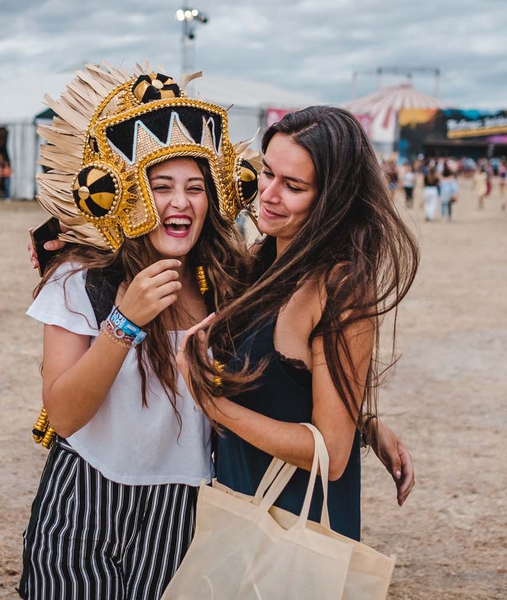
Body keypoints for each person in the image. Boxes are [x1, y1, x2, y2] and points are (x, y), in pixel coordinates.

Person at [20, 67, 414, 600]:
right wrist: (124, 321)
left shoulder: (228, 280)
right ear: (130, 188)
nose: (180, 202)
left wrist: (360, 422)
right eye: (160, 186)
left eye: (195, 187)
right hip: (86, 496)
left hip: (185, 507)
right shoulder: (83, 279)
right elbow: (63, 416)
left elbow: (283, 377)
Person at [177, 106, 419, 542]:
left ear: (332, 200)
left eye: (293, 186)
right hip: (243, 507)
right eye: (267, 173)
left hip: (294, 528)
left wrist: (213, 406)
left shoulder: (341, 287)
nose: (268, 194)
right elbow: (292, 391)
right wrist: (364, 421)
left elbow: (331, 451)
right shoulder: (261, 264)